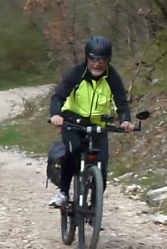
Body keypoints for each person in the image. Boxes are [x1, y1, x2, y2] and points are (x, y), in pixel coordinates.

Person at [47, 35, 135, 227]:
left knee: (101, 168)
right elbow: (58, 96)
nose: (97, 63)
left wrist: (125, 121)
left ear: (108, 60)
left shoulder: (112, 76)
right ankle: (63, 193)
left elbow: (121, 102)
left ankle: (94, 208)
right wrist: (56, 114)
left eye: (101, 60)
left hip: (97, 126)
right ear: (87, 58)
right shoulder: (76, 73)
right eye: (93, 59)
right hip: (72, 121)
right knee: (73, 150)